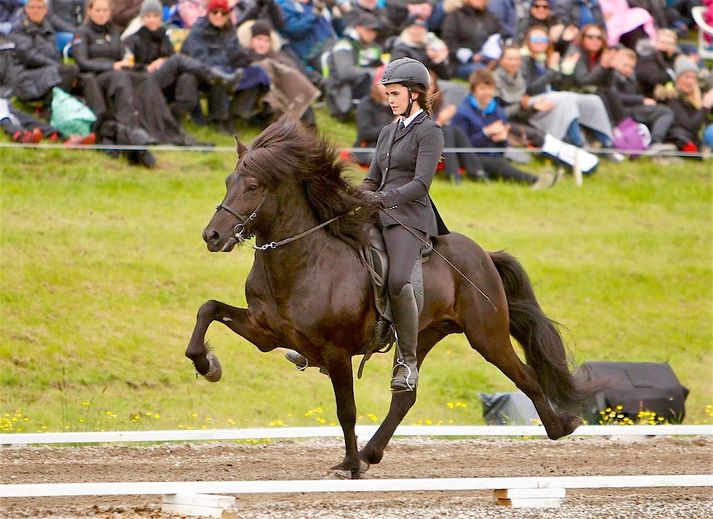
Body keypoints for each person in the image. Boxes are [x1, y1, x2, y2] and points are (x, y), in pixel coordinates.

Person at [286, 58, 447, 393]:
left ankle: (407, 361)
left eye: (395, 93)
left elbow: (420, 185)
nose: (389, 99)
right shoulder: (388, 132)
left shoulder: (430, 132)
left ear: (415, 94)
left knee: (400, 280)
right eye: (387, 93)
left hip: (410, 218)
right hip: (377, 211)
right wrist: (353, 197)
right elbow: (373, 179)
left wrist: (382, 200)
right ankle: (316, 342)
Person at [125, 0, 242, 123]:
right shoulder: (133, 39)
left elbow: (170, 59)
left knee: (188, 77)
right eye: (148, 16)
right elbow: (127, 66)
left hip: (165, 78)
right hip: (143, 79)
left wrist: (164, 61)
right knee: (177, 59)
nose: (152, 20)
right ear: (142, 18)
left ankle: (176, 115)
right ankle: (212, 74)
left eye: (156, 16)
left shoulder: (163, 37)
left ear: (161, 18)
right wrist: (148, 67)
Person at [452, 68, 556, 187]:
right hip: (470, 157)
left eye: (490, 88)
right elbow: (462, 145)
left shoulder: (499, 112)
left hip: (493, 156)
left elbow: (501, 150)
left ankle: (535, 181)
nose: (487, 92)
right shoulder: (463, 112)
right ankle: (534, 181)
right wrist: (486, 133)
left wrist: (502, 139)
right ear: (473, 90)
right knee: (499, 165)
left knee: (501, 163)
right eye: (482, 89)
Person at [180, 0, 271, 133]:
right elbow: (200, 60)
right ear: (208, 13)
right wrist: (227, 60)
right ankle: (218, 120)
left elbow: (236, 53)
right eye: (215, 12)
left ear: (227, 14)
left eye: (223, 13)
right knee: (218, 75)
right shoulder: (198, 30)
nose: (218, 16)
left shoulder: (230, 30)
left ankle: (235, 114)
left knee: (257, 72)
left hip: (228, 70)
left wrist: (244, 58)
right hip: (201, 73)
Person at [611, 47, 675, 154]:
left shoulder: (630, 79)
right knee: (665, 112)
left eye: (631, 67)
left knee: (664, 110)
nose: (628, 69)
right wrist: (641, 100)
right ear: (616, 61)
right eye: (625, 65)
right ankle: (655, 143)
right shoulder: (612, 77)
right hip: (623, 112)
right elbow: (616, 96)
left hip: (632, 109)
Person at [323, 12, 383, 121]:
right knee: (376, 76)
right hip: (341, 91)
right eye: (368, 30)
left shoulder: (375, 48)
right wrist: (375, 72)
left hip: (362, 86)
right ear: (358, 28)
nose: (372, 34)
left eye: (375, 31)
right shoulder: (344, 44)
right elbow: (346, 72)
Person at [664, 55, 713, 153]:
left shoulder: (698, 97)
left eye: (693, 78)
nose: (690, 81)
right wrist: (705, 107)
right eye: (686, 77)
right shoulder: (672, 100)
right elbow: (690, 127)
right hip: (692, 142)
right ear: (677, 79)